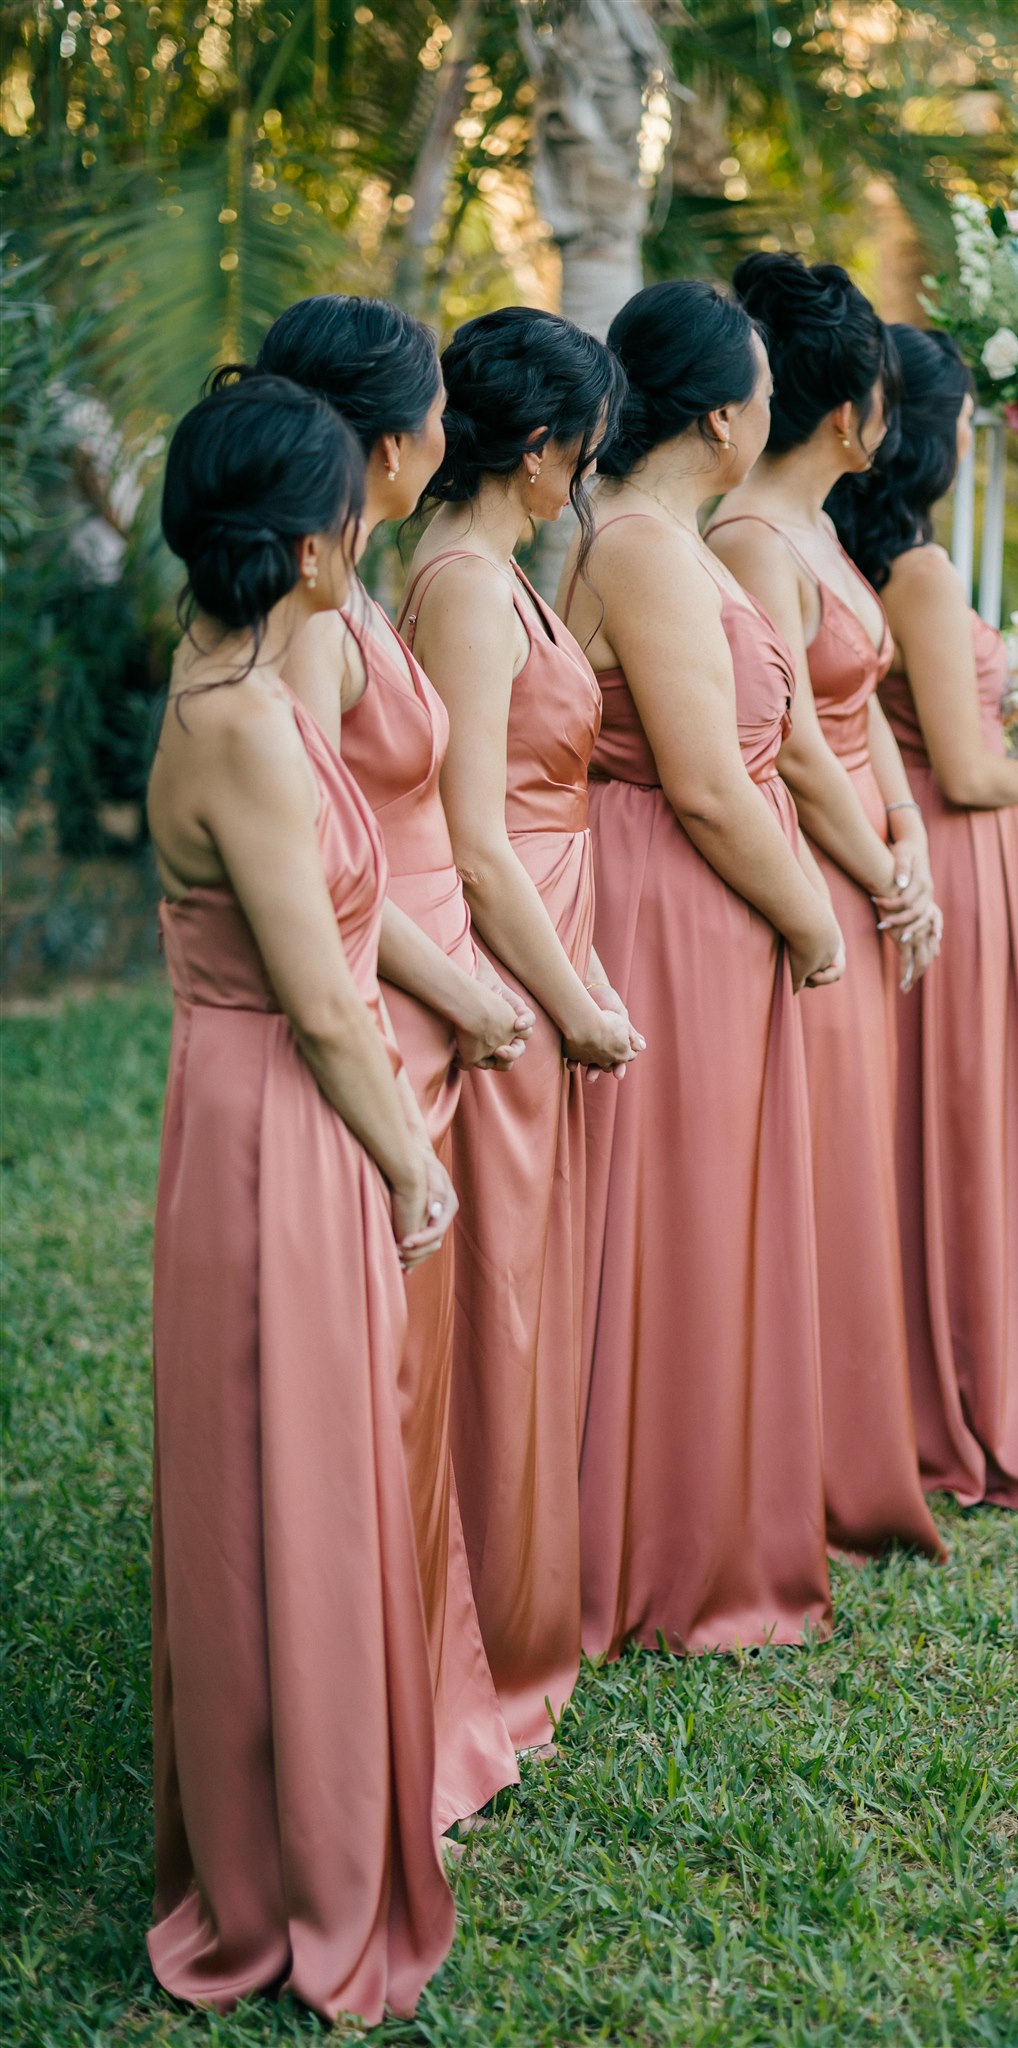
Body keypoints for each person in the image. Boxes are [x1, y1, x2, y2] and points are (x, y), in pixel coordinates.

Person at [147, 375, 457, 2020]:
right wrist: (413, 1159)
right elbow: (325, 1005)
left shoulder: (244, 671)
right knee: (290, 1484)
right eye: (349, 498)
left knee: (299, 1472)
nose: (369, 517)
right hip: (279, 1125)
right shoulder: (244, 725)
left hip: (272, 1108)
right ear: (309, 538)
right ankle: (296, 1874)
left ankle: (311, 1820)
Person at [249, 295, 525, 1828]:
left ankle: (431, 1690)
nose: (442, 432)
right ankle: (367, 1729)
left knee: (416, 1381)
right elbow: (317, 871)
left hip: (421, 998)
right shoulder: (303, 624)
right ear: (384, 439)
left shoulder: (353, 590)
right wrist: (464, 990)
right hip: (375, 1006)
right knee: (377, 1382)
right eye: (427, 407)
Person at [559, 278, 842, 1658]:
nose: (771, 419)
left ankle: (700, 1518)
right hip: (675, 904)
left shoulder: (661, 537)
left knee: (706, 1210)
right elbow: (711, 788)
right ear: (723, 418)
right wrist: (815, 918)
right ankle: (657, 1547)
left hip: (701, 907)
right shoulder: (647, 551)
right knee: (669, 1216)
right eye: (766, 400)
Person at [402, 307, 642, 1753]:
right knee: (499, 1294)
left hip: (552, 944)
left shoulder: (504, 571)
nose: (587, 479)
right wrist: (571, 1004)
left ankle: (524, 1599)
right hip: (509, 965)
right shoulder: (465, 591)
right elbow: (473, 840)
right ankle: (479, 1621)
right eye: (585, 452)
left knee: (535, 1289)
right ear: (542, 449)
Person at [706, 252, 943, 1562]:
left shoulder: (824, 532)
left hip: (864, 849)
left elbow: (861, 711)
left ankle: (853, 1438)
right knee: (824, 1160)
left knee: (856, 1155)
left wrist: (905, 825)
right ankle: (810, 1459)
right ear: (849, 411)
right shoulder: (749, 538)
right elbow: (793, 740)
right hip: (816, 862)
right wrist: (878, 866)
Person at [832, 325, 1018, 1512]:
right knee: (957, 1117)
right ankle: (962, 1397)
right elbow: (973, 768)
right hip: (952, 841)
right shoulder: (918, 572)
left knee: (935, 1114)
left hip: (930, 839)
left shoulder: (857, 549)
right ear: (937, 430)